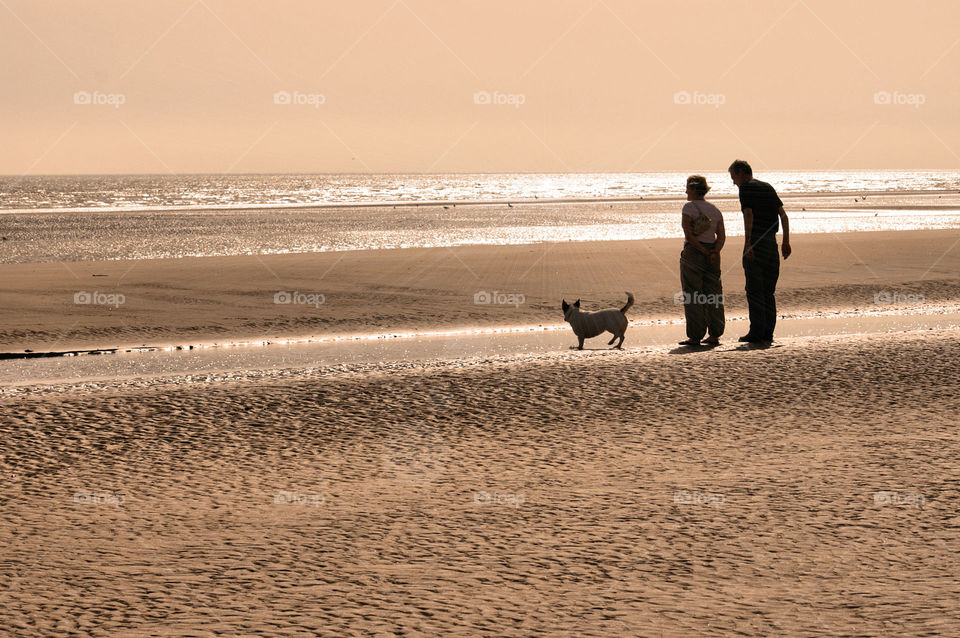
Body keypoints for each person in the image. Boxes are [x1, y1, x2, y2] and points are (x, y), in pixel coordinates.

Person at [728, 159, 791, 344]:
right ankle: (767, 333)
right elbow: (784, 215)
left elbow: (749, 214)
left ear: (741, 172)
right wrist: (786, 242)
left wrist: (748, 243)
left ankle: (756, 333)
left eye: (733, 177)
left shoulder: (746, 188)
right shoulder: (768, 187)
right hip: (772, 243)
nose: (733, 182)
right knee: (768, 292)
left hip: (756, 243)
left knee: (754, 290)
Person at [678, 175, 725, 347]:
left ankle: (695, 336)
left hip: (694, 253)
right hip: (713, 253)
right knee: (714, 294)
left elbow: (689, 235)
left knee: (692, 295)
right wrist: (714, 251)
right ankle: (715, 334)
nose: (685, 192)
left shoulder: (689, 208)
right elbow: (721, 236)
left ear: (693, 189)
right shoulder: (715, 210)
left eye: (687, 189)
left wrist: (703, 250)